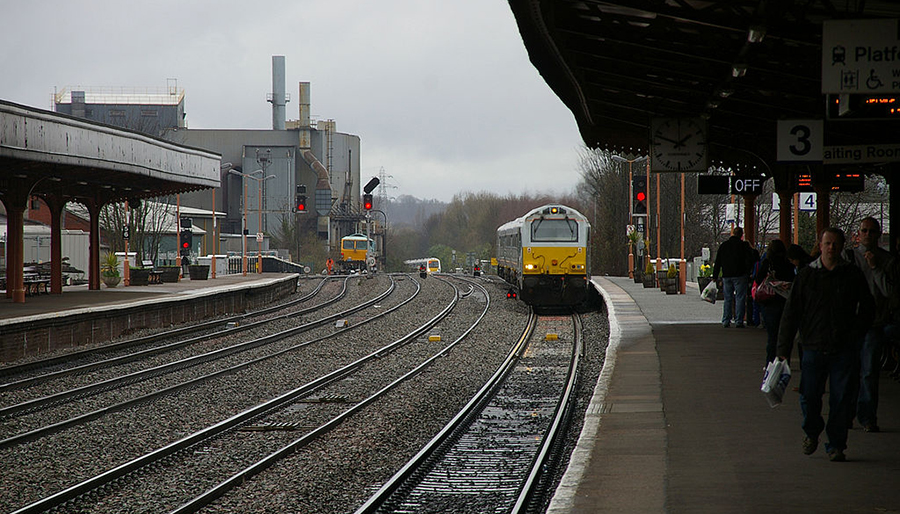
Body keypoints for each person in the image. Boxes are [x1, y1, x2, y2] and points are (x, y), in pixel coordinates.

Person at [777, 227, 874, 462]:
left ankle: (836, 444)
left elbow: (868, 307)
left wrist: (856, 334)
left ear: (841, 247)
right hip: (813, 346)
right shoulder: (807, 277)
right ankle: (812, 431)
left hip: (843, 347)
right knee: (810, 396)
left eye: (835, 244)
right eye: (827, 243)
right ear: (820, 246)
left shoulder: (851, 275)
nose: (831, 248)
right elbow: (791, 315)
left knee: (841, 399)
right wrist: (782, 351)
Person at [843, 217, 892, 433]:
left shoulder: (887, 261)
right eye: (864, 230)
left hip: (874, 323)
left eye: (872, 231)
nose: (868, 235)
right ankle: (847, 413)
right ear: (858, 234)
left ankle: (867, 415)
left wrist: (874, 268)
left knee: (869, 371)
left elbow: (890, 292)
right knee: (848, 370)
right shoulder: (849, 258)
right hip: (850, 323)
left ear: (878, 234)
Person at [754, 239, 795, 367]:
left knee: (772, 337)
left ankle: (770, 363)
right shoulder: (788, 263)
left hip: (769, 302)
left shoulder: (767, 262)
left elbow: (758, 278)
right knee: (784, 336)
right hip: (784, 302)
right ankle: (784, 363)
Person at [713, 226, 752, 328]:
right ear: (741, 235)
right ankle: (739, 321)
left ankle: (726, 320)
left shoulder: (724, 246)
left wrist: (715, 275)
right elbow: (750, 259)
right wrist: (748, 272)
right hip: (740, 275)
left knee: (728, 298)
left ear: (733, 234)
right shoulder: (743, 246)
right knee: (740, 298)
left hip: (727, 275)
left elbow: (718, 261)